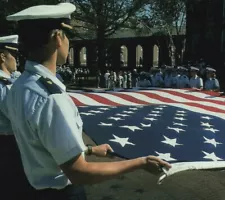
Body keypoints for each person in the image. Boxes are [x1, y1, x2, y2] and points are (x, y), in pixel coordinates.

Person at [6, 3, 171, 200]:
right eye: (68, 36)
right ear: (57, 37)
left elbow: (42, 142)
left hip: (32, 189)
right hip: (61, 194)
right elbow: (79, 172)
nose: (69, 43)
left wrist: (89, 149)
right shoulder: (51, 98)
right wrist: (141, 162)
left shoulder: (19, 86)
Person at [0, 35, 35, 199]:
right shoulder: (4, 85)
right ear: (2, 57)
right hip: (9, 143)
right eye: (13, 55)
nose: (16, 59)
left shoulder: (9, 80)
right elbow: (16, 116)